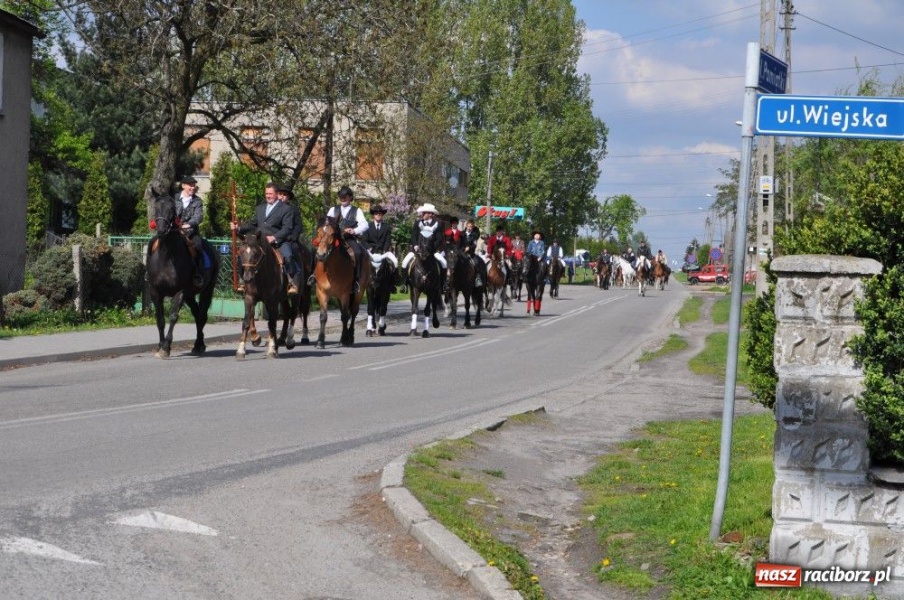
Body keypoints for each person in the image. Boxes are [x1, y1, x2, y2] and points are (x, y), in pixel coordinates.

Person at [231, 181, 300, 295]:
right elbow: (252, 224)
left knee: (287, 256)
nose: (268, 196)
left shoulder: (286, 209)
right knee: (243, 255)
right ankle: (242, 281)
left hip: (278, 241)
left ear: (276, 194)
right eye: (266, 193)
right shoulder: (260, 208)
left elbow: (287, 228)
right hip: (260, 241)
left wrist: (274, 237)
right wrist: (238, 228)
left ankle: (291, 283)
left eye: (270, 194)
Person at [321, 185, 369, 294]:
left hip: (349, 239)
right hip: (334, 239)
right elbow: (326, 224)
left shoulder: (357, 211)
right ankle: (314, 275)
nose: (343, 199)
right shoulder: (333, 209)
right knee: (319, 250)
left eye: (345, 197)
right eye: (341, 197)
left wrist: (354, 230)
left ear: (350, 198)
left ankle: (356, 279)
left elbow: (365, 225)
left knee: (357, 253)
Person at [175, 175, 205, 287]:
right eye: (190, 185)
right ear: (183, 186)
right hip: (175, 232)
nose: (193, 187)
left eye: (194, 185)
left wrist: (189, 224)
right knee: (156, 242)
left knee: (198, 245)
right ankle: (151, 271)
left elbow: (199, 217)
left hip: (191, 233)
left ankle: (198, 273)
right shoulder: (174, 199)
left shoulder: (197, 201)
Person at [401, 203, 448, 271]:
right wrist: (415, 245)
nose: (422, 214)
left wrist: (430, 248)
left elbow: (439, 239)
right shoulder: (417, 223)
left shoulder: (438, 224)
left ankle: (443, 281)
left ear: (430, 214)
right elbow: (414, 236)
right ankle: (405, 281)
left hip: (432, 252)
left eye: (424, 212)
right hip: (417, 251)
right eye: (422, 212)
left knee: (444, 263)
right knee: (404, 263)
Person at [275, 183, 304, 294]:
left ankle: (294, 278)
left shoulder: (294, 209)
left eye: (284, 195)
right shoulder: (273, 208)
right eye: (280, 194)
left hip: (289, 239)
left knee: (294, 250)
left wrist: (293, 237)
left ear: (288, 197)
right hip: (274, 238)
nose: (282, 196)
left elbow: (298, 225)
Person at [360, 204, 397, 268]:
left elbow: (387, 241)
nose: (378, 215)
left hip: (382, 252)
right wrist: (369, 248)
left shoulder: (386, 227)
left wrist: (384, 250)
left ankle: (395, 277)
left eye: (380, 213)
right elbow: (364, 240)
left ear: (382, 215)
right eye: (376, 213)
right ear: (373, 215)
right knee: (359, 262)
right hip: (370, 252)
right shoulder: (367, 226)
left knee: (395, 262)